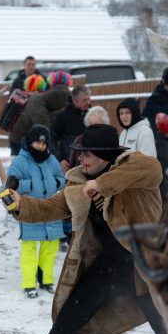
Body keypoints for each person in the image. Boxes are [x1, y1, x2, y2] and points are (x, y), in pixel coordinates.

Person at [6, 124, 168, 334]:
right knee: (67, 320)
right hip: (111, 267)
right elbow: (48, 208)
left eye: (87, 154)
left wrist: (102, 184)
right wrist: (20, 203)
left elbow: (153, 168)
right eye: (80, 153)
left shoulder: (134, 170)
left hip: (145, 265)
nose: (81, 158)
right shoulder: (79, 184)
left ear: (104, 156)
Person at [6, 125, 65, 298]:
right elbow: (11, 184)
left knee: (50, 247)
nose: (41, 147)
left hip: (50, 209)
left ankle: (46, 280)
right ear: (30, 142)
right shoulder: (20, 161)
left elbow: (61, 178)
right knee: (29, 249)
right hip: (29, 209)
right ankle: (29, 283)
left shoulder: (51, 159)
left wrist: (54, 184)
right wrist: (28, 185)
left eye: (44, 143)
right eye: (38, 143)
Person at [60, 106, 110, 253]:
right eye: (90, 125)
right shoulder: (80, 141)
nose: (93, 129)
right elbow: (73, 168)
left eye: (97, 125)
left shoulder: (111, 143)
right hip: (83, 198)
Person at [142, 67, 168, 205]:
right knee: (166, 177)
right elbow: (146, 119)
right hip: (163, 144)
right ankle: (164, 205)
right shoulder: (156, 99)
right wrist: (161, 131)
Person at [9, 86, 69, 156]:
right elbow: (45, 134)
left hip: (15, 136)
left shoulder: (37, 97)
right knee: (24, 165)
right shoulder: (40, 112)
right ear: (56, 103)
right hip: (21, 142)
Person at [50, 84, 92, 173]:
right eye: (84, 100)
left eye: (89, 99)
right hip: (70, 164)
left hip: (90, 163)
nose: (88, 102)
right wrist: (60, 159)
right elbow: (50, 139)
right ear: (74, 101)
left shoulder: (92, 114)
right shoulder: (63, 116)